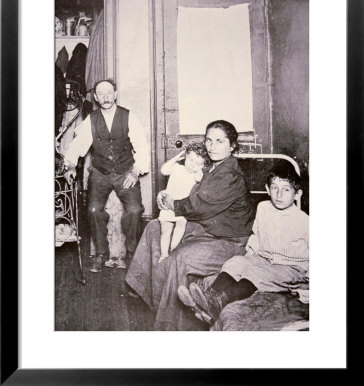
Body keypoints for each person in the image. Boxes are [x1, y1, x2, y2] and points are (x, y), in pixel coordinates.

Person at [125, 120, 255, 330]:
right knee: (153, 228)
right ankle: (145, 292)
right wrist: (167, 195)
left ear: (232, 146)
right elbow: (187, 190)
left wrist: (171, 203)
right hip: (205, 227)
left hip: (227, 239)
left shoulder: (230, 175)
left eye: (220, 141)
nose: (212, 146)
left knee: (180, 259)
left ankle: (169, 324)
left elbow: (200, 206)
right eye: (209, 140)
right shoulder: (210, 165)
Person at [177, 161, 309, 325]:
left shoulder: (304, 221)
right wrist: (249, 256)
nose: (279, 194)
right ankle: (208, 297)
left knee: (255, 273)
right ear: (268, 190)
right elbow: (256, 234)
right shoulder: (263, 208)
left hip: (290, 267)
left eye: (286, 189)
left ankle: (218, 304)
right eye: (275, 188)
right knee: (236, 262)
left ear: (297, 194)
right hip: (263, 258)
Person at [64, 79, 149, 273]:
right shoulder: (91, 119)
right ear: (95, 97)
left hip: (126, 171)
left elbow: (142, 147)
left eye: (109, 92)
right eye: (100, 93)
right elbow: (78, 146)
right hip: (100, 173)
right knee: (93, 210)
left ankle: (130, 253)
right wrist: (69, 164)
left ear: (115, 94)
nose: (105, 97)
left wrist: (136, 171)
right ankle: (101, 253)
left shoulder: (129, 116)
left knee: (135, 210)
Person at [158, 142, 209, 263]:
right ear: (185, 156)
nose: (193, 165)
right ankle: (164, 254)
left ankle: (172, 250)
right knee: (165, 231)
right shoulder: (177, 168)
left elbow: (200, 178)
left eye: (198, 164)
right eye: (190, 160)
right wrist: (176, 158)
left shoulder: (196, 175)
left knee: (180, 226)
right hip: (168, 206)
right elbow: (164, 170)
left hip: (182, 209)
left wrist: (201, 169)